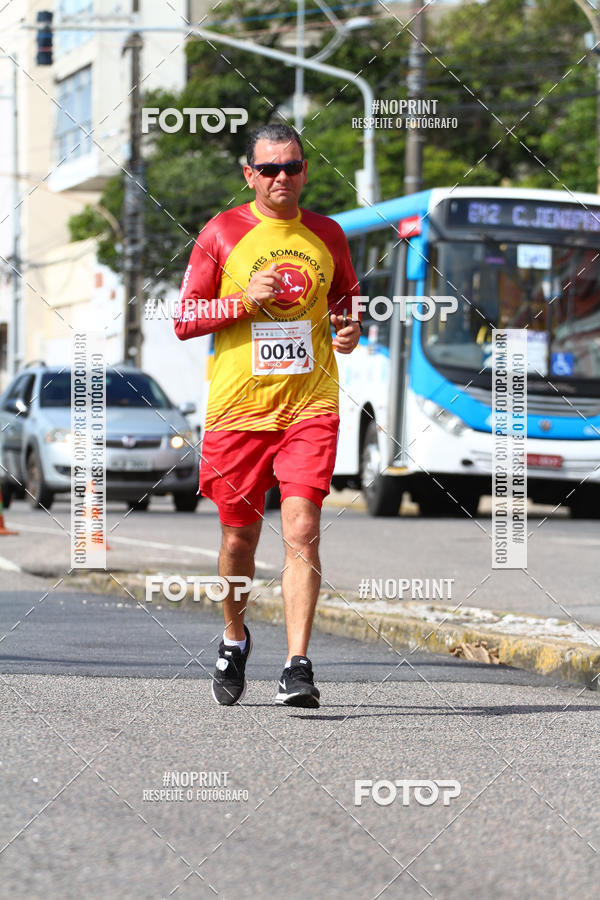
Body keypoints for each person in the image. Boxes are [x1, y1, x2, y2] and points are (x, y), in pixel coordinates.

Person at [174, 123, 360, 708]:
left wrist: (350, 329)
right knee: (239, 540)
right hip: (238, 411)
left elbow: (346, 304)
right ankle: (234, 638)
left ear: (305, 171)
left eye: (294, 167)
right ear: (249, 174)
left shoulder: (328, 233)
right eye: (271, 169)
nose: (284, 178)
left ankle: (297, 666)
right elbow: (185, 319)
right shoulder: (222, 232)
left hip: (310, 404)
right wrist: (242, 301)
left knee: (303, 526)